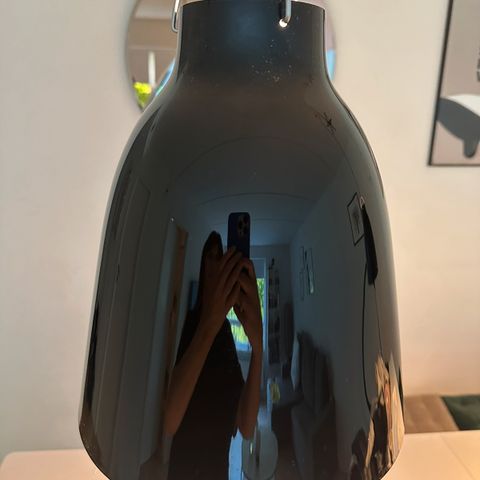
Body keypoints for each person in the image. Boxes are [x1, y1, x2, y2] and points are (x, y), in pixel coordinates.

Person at [164, 231, 263, 480]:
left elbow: (246, 426)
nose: (217, 263)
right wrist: (211, 320)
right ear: (202, 265)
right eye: (211, 255)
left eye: (220, 255)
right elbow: (169, 422)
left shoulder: (225, 331)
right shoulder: (192, 323)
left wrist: (258, 348)